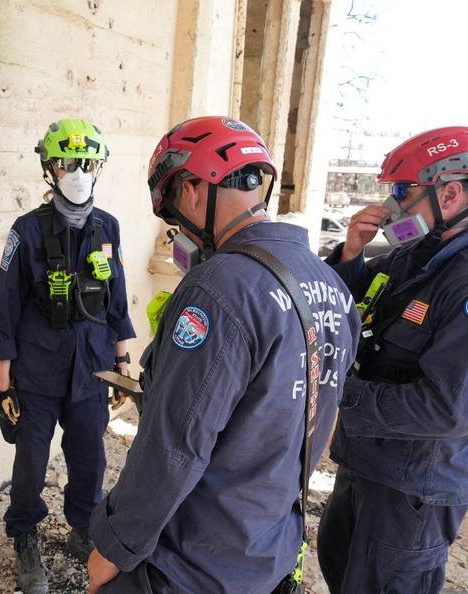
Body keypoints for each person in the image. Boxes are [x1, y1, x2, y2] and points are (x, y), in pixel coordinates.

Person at [87, 116, 360, 593]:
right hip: (267, 550)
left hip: (191, 562)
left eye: (173, 214)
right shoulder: (329, 284)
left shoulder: (218, 289)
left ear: (193, 190)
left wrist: (113, 547)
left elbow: (174, 446)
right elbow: (318, 419)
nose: (178, 232)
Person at [317, 126, 468, 594]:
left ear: (451, 193)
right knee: (339, 568)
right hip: (365, 462)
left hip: (413, 492)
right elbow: (340, 299)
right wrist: (350, 253)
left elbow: (447, 409)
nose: (390, 208)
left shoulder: (461, 281)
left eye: (403, 192)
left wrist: (338, 389)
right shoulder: (412, 257)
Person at [0, 118, 136, 593]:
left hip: (92, 368)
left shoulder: (107, 227)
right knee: (31, 459)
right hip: (37, 368)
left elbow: (116, 295)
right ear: (49, 168)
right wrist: (3, 376)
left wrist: (122, 361)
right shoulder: (26, 230)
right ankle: (25, 534)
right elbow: (6, 302)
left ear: (98, 168)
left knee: (89, 455)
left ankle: (81, 527)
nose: (77, 172)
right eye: (66, 162)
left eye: (86, 163)